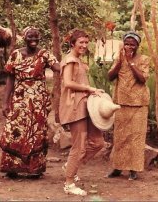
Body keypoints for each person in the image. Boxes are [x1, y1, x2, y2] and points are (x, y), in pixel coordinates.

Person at [0, 26, 60, 178]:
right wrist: (5, 102)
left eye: (36, 37)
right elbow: (10, 79)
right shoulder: (15, 55)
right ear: (24, 38)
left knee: (36, 131)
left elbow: (57, 67)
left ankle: (35, 168)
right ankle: (12, 167)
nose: (33, 40)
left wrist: (70, 61)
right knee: (15, 130)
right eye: (30, 37)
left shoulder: (44, 54)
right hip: (19, 99)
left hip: (38, 100)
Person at [59, 29, 105, 196]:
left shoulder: (77, 60)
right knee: (78, 146)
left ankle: (70, 167)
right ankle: (69, 183)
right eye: (81, 43)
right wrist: (88, 88)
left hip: (85, 106)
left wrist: (91, 93)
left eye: (86, 42)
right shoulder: (70, 60)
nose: (84, 45)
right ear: (72, 44)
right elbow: (68, 82)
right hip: (74, 107)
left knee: (98, 142)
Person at [107, 31, 150, 181]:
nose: (129, 47)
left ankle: (133, 169)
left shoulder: (143, 59)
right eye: (127, 43)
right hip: (121, 102)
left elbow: (143, 79)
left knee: (136, 137)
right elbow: (110, 77)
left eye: (132, 44)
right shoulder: (119, 58)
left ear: (138, 45)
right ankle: (118, 168)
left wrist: (131, 62)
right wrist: (120, 62)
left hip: (139, 104)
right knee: (120, 137)